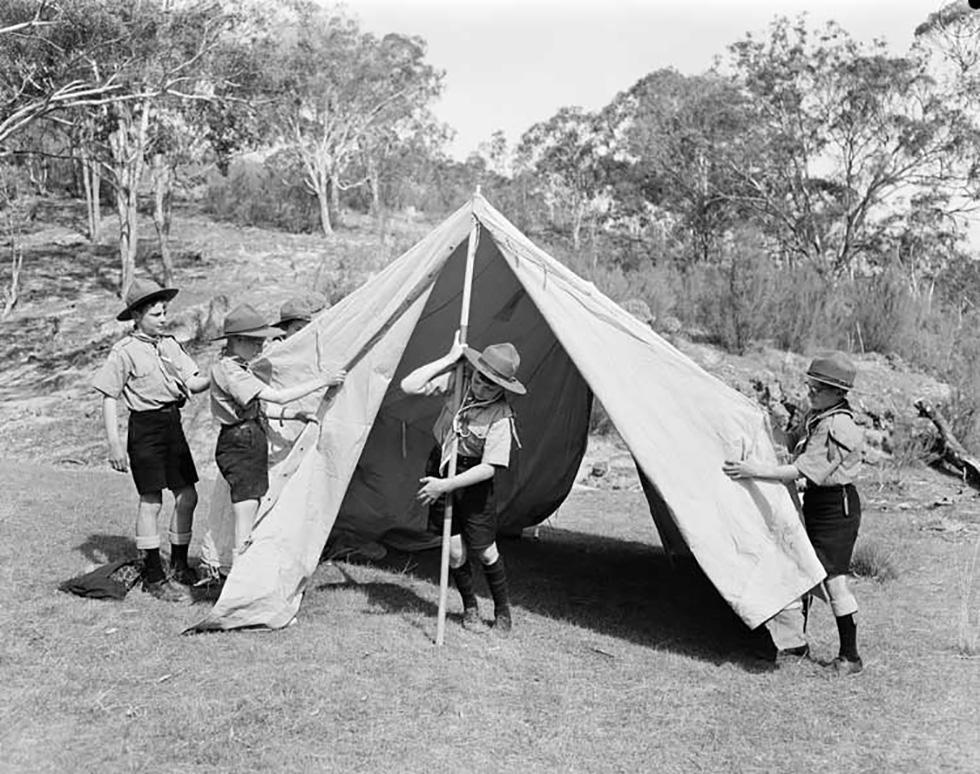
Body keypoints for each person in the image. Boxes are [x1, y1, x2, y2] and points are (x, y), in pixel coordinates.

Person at [723, 352, 865, 675]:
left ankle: (850, 656)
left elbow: (801, 471)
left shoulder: (838, 424)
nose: (811, 393)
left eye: (819, 388)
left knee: (834, 582)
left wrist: (752, 470)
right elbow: (791, 442)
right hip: (818, 502)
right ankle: (795, 643)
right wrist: (762, 424)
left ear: (838, 393)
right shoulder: (818, 416)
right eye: (811, 386)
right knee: (799, 568)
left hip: (836, 509)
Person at [92, 279, 210, 601]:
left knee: (187, 496)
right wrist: (114, 445)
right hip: (144, 428)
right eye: (156, 314)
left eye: (165, 312)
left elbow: (194, 381)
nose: (163, 318)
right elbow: (108, 397)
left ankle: (180, 566)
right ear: (137, 315)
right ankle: (154, 576)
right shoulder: (124, 352)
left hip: (172, 425)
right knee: (152, 500)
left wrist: (220, 375)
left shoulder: (170, 345)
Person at [400, 333, 525, 634]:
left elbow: (489, 468)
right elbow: (409, 385)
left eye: (489, 384)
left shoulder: (501, 415)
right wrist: (449, 358)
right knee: (455, 552)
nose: (480, 386)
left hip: (472, 478)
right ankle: (469, 606)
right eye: (480, 378)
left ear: (502, 388)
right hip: (443, 465)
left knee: (484, 550)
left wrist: (446, 486)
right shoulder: (459, 382)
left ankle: (503, 611)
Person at [210, 303, 345, 567]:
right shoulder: (229, 370)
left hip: (249, 437)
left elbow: (258, 410)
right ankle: (238, 577)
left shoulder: (240, 367)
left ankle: (241, 575)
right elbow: (278, 396)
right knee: (245, 514)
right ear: (237, 340)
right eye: (255, 341)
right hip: (240, 443)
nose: (261, 347)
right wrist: (324, 381)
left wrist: (294, 416)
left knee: (250, 506)